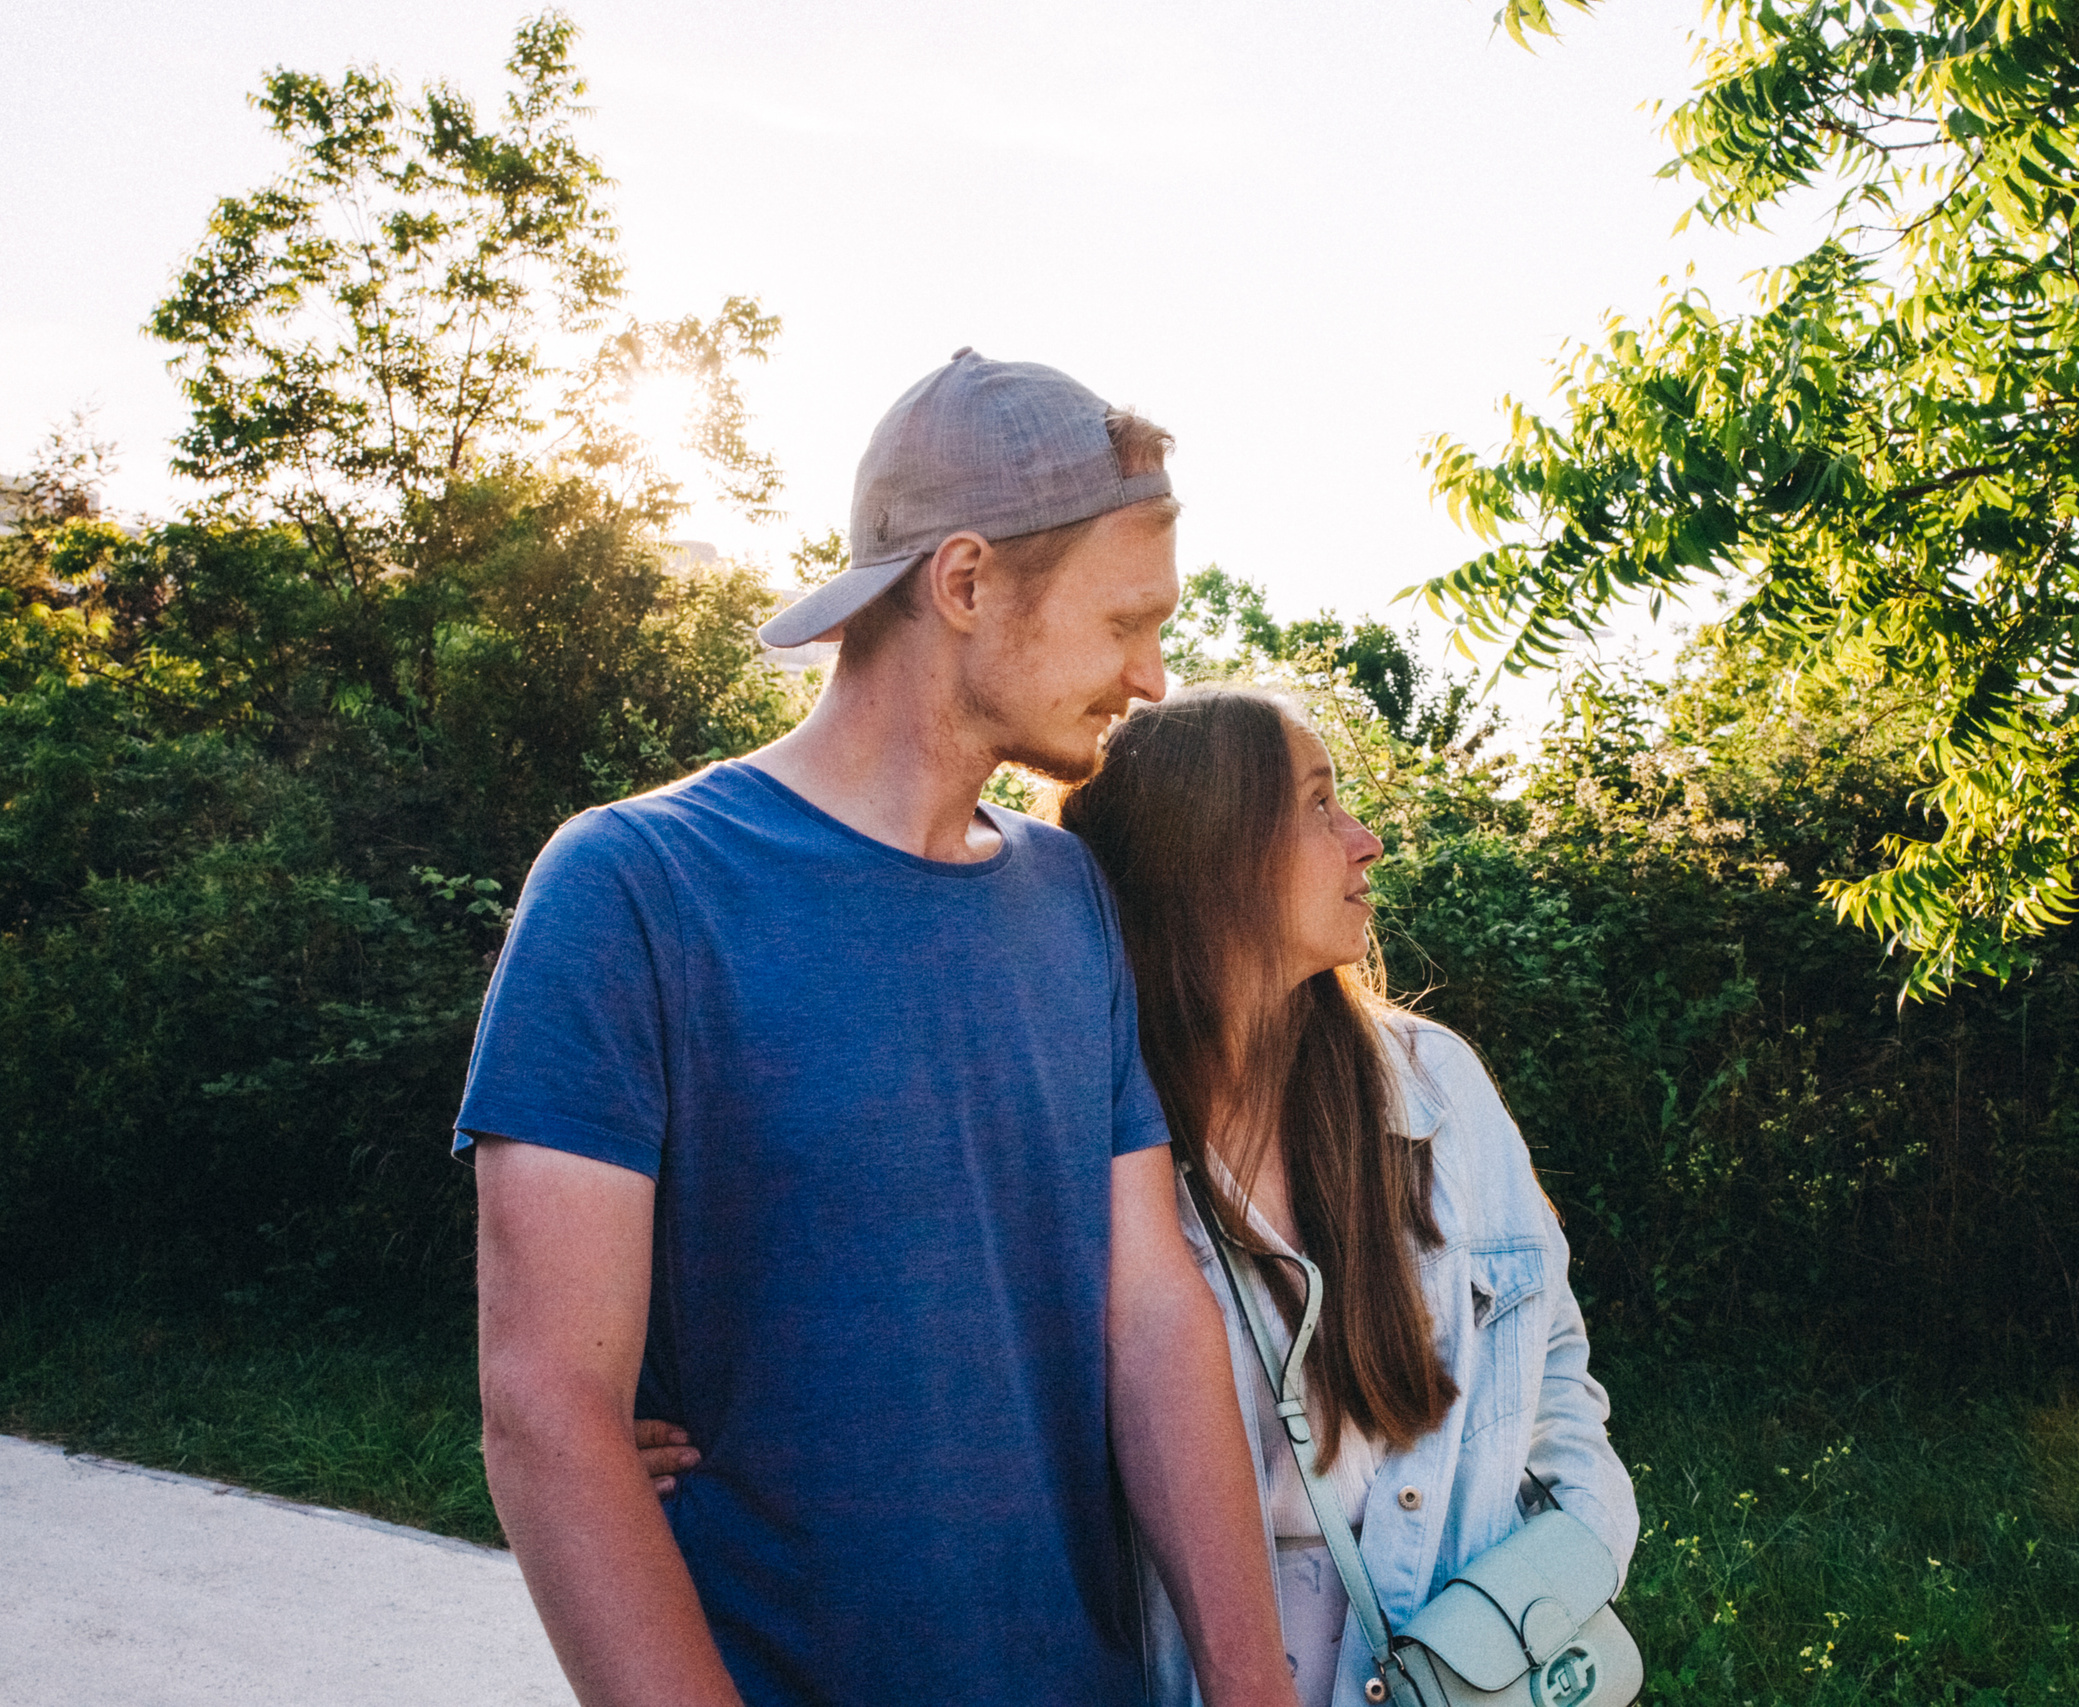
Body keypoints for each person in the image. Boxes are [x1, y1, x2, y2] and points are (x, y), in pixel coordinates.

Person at [461, 350, 1297, 1707]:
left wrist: (1251, 1682)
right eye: (1122, 620)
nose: (1152, 676)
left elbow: (1147, 1311)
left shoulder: (1065, 893)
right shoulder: (634, 886)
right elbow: (549, 1408)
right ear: (965, 582)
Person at [1055, 688, 1640, 1707]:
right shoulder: (1085, 1145)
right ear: (1207, 857)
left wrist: (1564, 1556)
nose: (1364, 841)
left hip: (1461, 1660)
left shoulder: (1435, 1086)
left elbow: (1552, 1359)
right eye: (1319, 806)